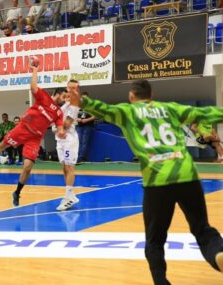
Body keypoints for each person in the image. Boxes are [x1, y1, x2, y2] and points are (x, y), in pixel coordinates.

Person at [78, 79, 223, 284]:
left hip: (157, 180)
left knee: (155, 240)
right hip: (186, 174)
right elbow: (204, 114)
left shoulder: (127, 112)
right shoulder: (169, 108)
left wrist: (82, 102)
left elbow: (104, 109)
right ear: (151, 95)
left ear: (131, 96)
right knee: (202, 229)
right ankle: (218, 253)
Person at [0, 60, 65, 206]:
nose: (65, 100)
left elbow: (60, 126)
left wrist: (61, 132)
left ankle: (17, 192)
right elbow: (33, 86)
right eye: (64, 97)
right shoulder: (45, 97)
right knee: (1, 146)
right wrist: (35, 70)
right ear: (57, 94)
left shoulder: (59, 113)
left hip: (34, 138)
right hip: (22, 129)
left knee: (27, 167)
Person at [53, 84, 81, 211]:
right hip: (60, 141)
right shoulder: (60, 108)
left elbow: (66, 124)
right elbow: (54, 125)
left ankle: (67, 198)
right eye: (65, 96)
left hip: (69, 140)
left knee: (69, 167)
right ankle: (71, 195)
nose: (66, 98)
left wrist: (57, 126)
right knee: (64, 168)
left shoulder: (73, 107)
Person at [76, 91, 95, 162]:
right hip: (79, 126)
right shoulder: (78, 106)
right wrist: (78, 119)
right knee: (78, 141)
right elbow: (73, 115)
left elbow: (95, 116)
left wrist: (86, 120)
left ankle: (81, 158)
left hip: (88, 126)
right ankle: (77, 157)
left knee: (84, 142)